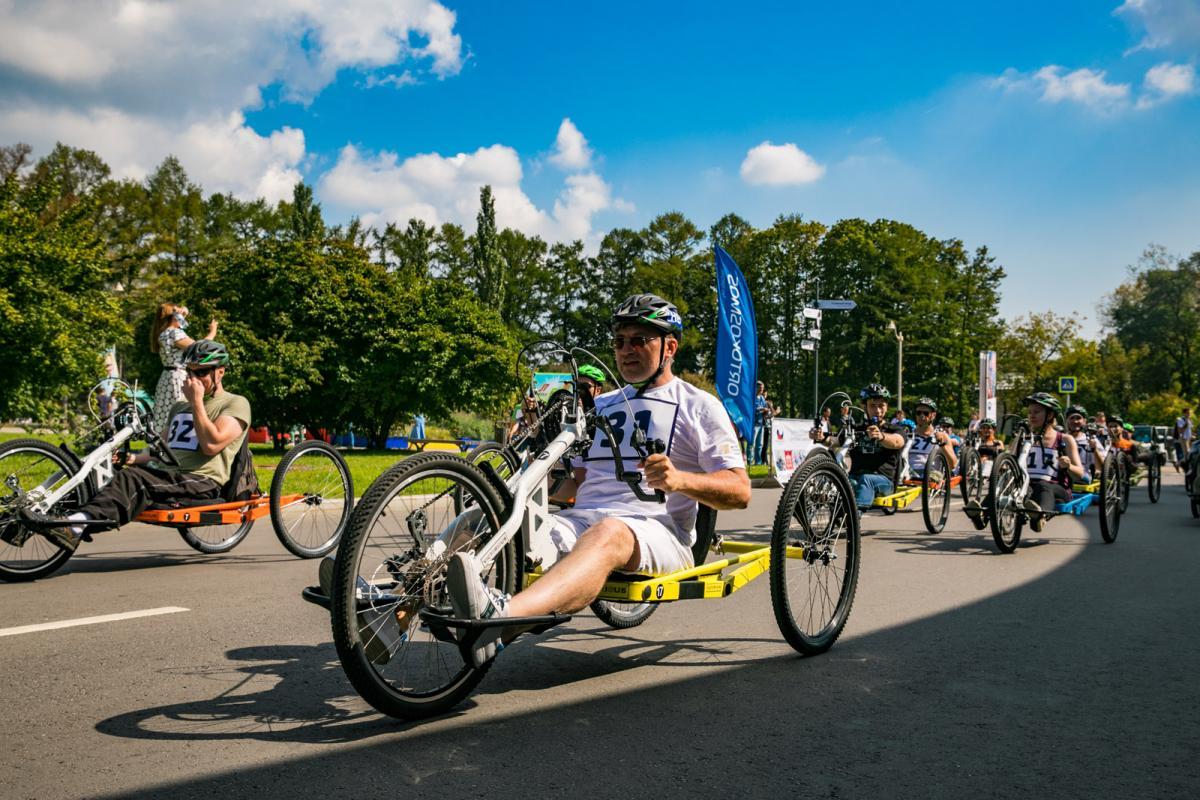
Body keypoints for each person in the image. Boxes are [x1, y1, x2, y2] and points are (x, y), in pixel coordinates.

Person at [446, 294, 750, 666]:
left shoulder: (698, 405)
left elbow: (739, 490)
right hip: (583, 522)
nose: (626, 350)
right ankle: (392, 616)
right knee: (482, 517)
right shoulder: (602, 406)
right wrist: (529, 488)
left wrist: (679, 480)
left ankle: (501, 620)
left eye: (639, 340)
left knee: (609, 532)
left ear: (670, 346)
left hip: (659, 532)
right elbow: (579, 485)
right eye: (620, 342)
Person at [31, 340, 251, 551]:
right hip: (170, 475)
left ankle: (75, 525)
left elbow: (211, 445)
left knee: (134, 479)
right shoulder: (179, 407)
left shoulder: (235, 403)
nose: (193, 379)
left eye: (201, 372)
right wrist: (131, 458)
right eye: (190, 373)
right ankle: (35, 518)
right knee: (97, 472)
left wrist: (196, 403)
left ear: (220, 372)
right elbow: (161, 449)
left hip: (202, 480)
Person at [811, 383, 908, 510]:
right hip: (856, 477)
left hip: (884, 481)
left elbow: (898, 441)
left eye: (881, 406)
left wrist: (881, 436)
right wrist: (821, 438)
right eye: (873, 406)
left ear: (887, 406)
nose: (878, 410)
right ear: (864, 406)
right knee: (845, 482)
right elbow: (836, 441)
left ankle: (855, 517)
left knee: (865, 480)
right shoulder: (857, 429)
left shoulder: (893, 428)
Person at [1020, 393, 1084, 532]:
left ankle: (1040, 516)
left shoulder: (1065, 439)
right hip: (1029, 486)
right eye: (1029, 412)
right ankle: (981, 511)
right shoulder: (1022, 438)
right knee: (1019, 488)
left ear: (1049, 415)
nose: (1031, 416)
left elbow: (1079, 474)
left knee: (1044, 485)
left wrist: (1068, 466)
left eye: (1037, 412)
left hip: (1057, 489)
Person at [150, 303, 217, 434]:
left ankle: (159, 447)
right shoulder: (174, 333)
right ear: (174, 317)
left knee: (164, 416)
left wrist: (181, 313)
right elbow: (199, 348)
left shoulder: (164, 333)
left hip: (167, 378)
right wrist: (212, 331)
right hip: (178, 379)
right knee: (182, 412)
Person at [907, 398, 957, 478]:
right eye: (918, 413)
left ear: (933, 415)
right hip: (908, 474)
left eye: (926, 413)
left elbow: (953, 464)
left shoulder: (942, 435)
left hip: (930, 476)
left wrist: (942, 444)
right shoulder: (907, 434)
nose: (922, 416)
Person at [1065, 404, 1106, 483]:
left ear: (1084, 421)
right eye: (1072, 418)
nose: (1075, 421)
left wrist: (1095, 449)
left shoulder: (1090, 440)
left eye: (1078, 418)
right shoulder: (1061, 438)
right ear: (1067, 420)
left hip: (1083, 478)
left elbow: (1102, 468)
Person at [750, 382, 769, 466]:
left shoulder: (762, 398)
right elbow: (753, 408)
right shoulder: (752, 397)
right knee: (751, 444)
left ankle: (758, 462)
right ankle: (750, 462)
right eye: (760, 388)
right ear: (756, 388)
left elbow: (766, 407)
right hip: (754, 424)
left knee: (759, 445)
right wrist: (763, 409)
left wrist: (766, 410)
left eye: (762, 388)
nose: (761, 390)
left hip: (761, 424)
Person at [1175, 408, 1193, 473]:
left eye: (1189, 413)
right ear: (1184, 413)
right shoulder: (1180, 420)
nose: (1189, 414)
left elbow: (1190, 430)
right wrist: (1186, 423)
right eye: (1187, 413)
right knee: (1186, 454)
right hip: (1183, 438)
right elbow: (1180, 431)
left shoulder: (1189, 420)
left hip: (1189, 438)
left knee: (1191, 454)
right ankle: (1179, 465)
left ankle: (1178, 464)